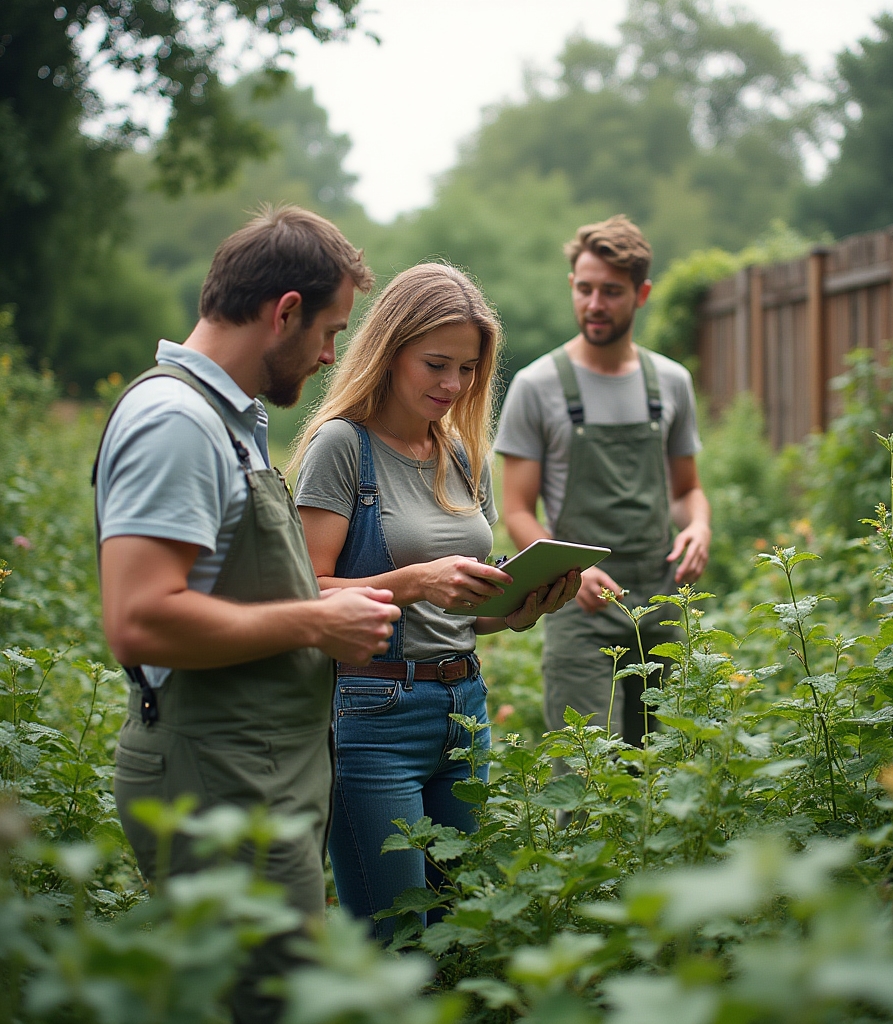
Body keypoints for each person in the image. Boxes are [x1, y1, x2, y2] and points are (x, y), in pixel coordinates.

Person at [94, 206, 402, 1024]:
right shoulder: (176, 423)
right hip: (219, 783)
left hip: (259, 777)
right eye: (331, 330)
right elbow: (139, 619)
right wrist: (315, 626)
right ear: (285, 311)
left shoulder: (228, 419)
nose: (334, 354)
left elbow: (249, 595)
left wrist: (408, 587)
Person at [290, 263, 580, 939]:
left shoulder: (459, 451)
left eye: (470, 369)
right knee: (398, 940)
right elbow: (306, 595)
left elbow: (461, 606)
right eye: (437, 365)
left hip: (464, 710)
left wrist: (518, 606)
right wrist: (415, 580)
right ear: (390, 352)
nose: (454, 386)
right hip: (373, 717)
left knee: (459, 931)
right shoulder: (344, 448)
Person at [494, 215, 711, 747]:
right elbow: (517, 510)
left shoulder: (671, 384)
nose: (595, 304)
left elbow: (686, 492)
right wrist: (570, 569)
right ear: (572, 286)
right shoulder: (537, 385)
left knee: (660, 773)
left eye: (611, 292)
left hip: (663, 603)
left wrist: (699, 527)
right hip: (580, 606)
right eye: (585, 289)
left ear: (641, 294)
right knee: (589, 774)